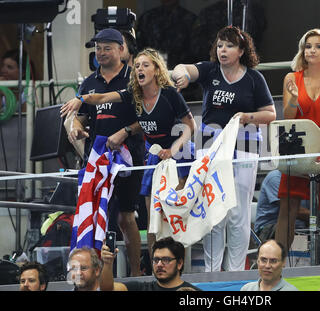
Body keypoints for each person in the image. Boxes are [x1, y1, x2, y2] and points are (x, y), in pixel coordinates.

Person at [61, 48, 196, 259]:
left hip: (179, 153)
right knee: (153, 220)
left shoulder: (168, 93)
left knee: (174, 216)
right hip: (154, 155)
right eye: (138, 65)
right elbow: (103, 96)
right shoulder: (133, 94)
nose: (140, 69)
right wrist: (81, 98)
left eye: (146, 65)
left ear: (157, 70)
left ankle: (177, 268)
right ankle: (155, 271)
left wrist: (174, 150)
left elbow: (190, 125)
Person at [172, 25, 276, 272]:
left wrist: (246, 117)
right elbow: (182, 68)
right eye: (219, 45)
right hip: (211, 144)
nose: (223, 50)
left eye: (229, 46)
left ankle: (237, 272)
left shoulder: (253, 78)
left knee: (238, 212)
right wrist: (182, 76)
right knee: (213, 211)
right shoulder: (209, 71)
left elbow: (270, 114)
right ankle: (211, 273)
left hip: (245, 143)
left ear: (241, 50)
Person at [65, 28, 144, 276]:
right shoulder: (89, 82)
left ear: (121, 49)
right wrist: (77, 129)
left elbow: (150, 118)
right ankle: (94, 276)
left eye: (106, 48)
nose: (100, 53)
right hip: (96, 159)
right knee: (96, 216)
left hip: (129, 158)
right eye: (97, 48)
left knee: (126, 217)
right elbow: (78, 118)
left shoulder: (135, 78)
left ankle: (136, 274)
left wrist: (126, 131)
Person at [275, 29, 320, 258]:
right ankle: (278, 262)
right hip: (297, 140)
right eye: (308, 46)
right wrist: (293, 99)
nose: (312, 50)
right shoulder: (291, 78)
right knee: (288, 207)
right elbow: (287, 117)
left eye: (318, 46)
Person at [100, 237, 201, 291]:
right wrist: (107, 263)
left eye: (165, 260)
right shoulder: (140, 288)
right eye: (156, 260)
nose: (159, 264)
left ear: (179, 264)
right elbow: (108, 289)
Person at [255, 170, 310, 242]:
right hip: (269, 229)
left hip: (300, 228)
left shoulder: (307, 179)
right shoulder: (275, 177)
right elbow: (293, 209)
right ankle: (281, 251)